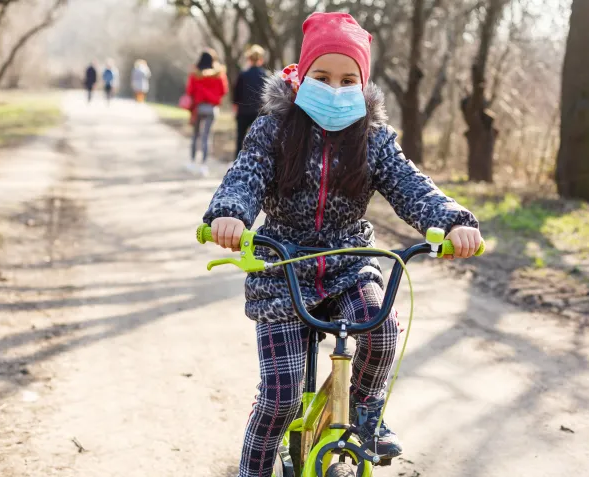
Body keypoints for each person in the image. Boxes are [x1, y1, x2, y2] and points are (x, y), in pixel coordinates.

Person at [202, 12, 482, 477]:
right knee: (280, 395)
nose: (335, 89)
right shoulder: (272, 130)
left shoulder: (374, 139)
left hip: (350, 262)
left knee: (383, 330)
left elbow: (411, 186)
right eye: (323, 76)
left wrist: (452, 221)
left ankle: (366, 416)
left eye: (348, 78)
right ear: (302, 76)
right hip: (281, 267)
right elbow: (245, 176)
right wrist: (230, 214)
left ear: (364, 83)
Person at [184, 49, 228, 174]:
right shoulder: (219, 74)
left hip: (198, 108)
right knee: (206, 136)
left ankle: (192, 162)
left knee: (196, 135)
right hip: (212, 108)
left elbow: (189, 91)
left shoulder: (195, 74)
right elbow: (224, 91)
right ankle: (204, 165)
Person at [232, 45, 269, 158]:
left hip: (243, 112)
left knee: (240, 138)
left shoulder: (243, 75)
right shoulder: (265, 75)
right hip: (259, 112)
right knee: (259, 139)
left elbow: (236, 95)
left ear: (249, 59)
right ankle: (258, 161)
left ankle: (237, 161)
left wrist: (235, 109)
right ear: (261, 59)